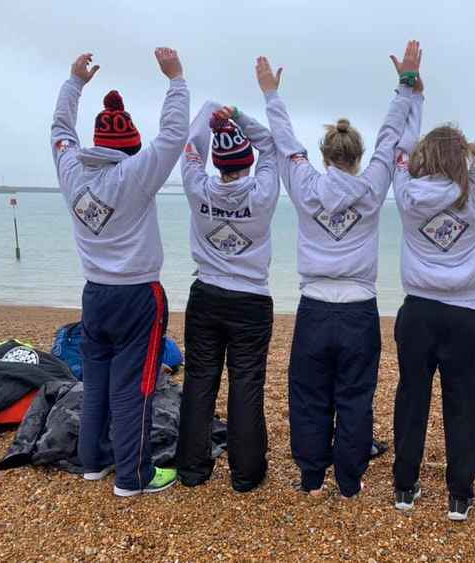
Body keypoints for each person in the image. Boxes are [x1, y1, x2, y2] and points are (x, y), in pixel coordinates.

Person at [257, 41, 421, 499]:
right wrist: (406, 88)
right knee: (354, 396)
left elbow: (285, 142)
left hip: (314, 308)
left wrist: (271, 93)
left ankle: (312, 478)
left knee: (309, 396)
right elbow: (391, 141)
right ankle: (348, 482)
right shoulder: (371, 186)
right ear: (356, 154)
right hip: (358, 310)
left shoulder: (307, 184)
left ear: (326, 155)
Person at [50, 49, 189, 497]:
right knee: (136, 387)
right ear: (129, 147)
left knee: (97, 382)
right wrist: (176, 80)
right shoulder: (136, 174)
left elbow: (60, 131)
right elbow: (172, 135)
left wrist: (74, 83)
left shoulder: (71, 170)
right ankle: (133, 477)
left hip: (94, 294)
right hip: (137, 297)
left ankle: (93, 461)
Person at [391, 45, 475, 521]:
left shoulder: (405, 193)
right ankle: (459, 496)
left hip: (418, 312)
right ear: (463, 158)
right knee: (465, 405)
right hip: (464, 313)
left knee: (412, 397)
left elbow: (399, 148)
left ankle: (405, 487)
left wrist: (411, 92)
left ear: (425, 158)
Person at [176, 99, 279, 492]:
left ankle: (192, 469)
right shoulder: (264, 191)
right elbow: (269, 145)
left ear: (216, 163)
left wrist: (209, 112)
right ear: (247, 160)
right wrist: (236, 116)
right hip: (250, 299)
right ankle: (246, 473)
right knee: (246, 382)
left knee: (200, 381)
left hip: (206, 293)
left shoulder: (196, 186)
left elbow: (191, 147)